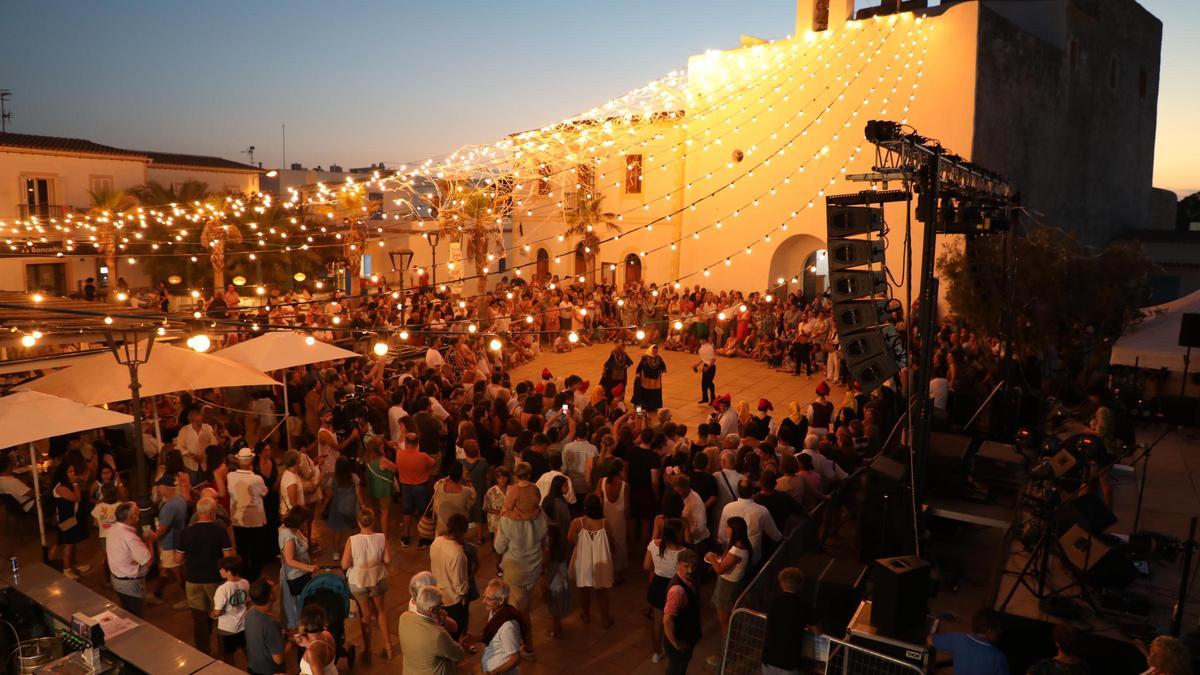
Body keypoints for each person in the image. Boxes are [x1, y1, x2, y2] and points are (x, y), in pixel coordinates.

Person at [180, 496, 234, 654]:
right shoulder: (220, 531)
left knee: (198, 619)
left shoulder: (186, 532)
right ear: (212, 512)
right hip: (214, 580)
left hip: (192, 581)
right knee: (220, 616)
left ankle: (203, 652)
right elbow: (228, 557)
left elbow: (178, 558)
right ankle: (224, 651)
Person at [342, 507, 394, 659]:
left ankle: (367, 650)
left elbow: (345, 564)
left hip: (358, 581)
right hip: (377, 578)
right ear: (374, 521)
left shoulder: (352, 540)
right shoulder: (381, 538)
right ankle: (388, 646)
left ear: (359, 523)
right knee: (381, 611)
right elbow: (388, 560)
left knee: (365, 615)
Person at [568, 494, 615, 628]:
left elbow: (570, 538)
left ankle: (586, 614)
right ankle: (605, 619)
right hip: (600, 558)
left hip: (583, 558)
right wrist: (612, 553)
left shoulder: (578, 522)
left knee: (583, 589)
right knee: (601, 591)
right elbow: (611, 540)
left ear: (585, 507)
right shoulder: (605, 522)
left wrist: (580, 544)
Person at [398, 586, 467, 675]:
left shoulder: (404, 617)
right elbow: (459, 655)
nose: (442, 610)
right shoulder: (438, 635)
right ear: (431, 610)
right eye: (440, 606)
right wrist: (441, 622)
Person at [644, 518, 686, 662]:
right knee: (673, 620)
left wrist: (659, 568)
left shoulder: (653, 545)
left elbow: (646, 566)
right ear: (676, 534)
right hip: (674, 587)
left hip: (657, 585)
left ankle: (656, 653)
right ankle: (673, 649)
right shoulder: (683, 552)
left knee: (657, 622)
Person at [762, 567, 815, 675]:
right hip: (790, 662)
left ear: (781, 583)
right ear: (800, 585)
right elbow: (818, 630)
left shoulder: (772, 601)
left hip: (769, 657)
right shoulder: (804, 607)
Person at [706, 516, 751, 645]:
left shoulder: (737, 549)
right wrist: (718, 559)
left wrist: (711, 558)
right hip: (729, 586)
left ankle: (727, 651)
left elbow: (720, 570)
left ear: (734, 530)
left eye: (728, 527)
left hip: (727, 588)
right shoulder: (741, 545)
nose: (725, 529)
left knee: (725, 622)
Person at [228, 447, 270, 582]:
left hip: (238, 519)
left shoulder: (230, 476)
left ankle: (244, 574)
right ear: (251, 460)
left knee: (242, 549)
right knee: (256, 549)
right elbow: (264, 492)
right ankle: (255, 576)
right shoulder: (256, 479)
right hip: (255, 520)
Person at [106, 501, 155, 616]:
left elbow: (125, 552)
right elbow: (148, 560)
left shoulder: (113, 528)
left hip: (118, 580)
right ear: (131, 517)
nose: (139, 513)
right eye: (136, 511)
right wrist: (149, 541)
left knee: (128, 611)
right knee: (136, 616)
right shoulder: (129, 537)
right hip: (130, 584)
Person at [718, 479, 782, 563]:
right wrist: (781, 538)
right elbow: (774, 534)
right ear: (753, 491)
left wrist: (723, 545)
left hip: (732, 553)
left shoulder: (728, 507)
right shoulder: (761, 510)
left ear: (738, 491)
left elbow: (722, 533)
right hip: (752, 554)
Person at [929, 609, 1009, 675]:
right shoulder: (998, 657)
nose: (1000, 633)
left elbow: (930, 639)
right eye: (999, 630)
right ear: (989, 630)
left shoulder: (958, 640)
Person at [430, 513, 471, 639]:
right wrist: (464, 595)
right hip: (452, 601)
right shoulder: (458, 553)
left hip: (437, 595)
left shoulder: (436, 541)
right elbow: (459, 583)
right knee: (453, 634)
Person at [151, 474, 188, 607]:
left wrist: (153, 536)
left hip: (170, 543)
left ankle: (189, 599)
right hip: (177, 540)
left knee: (177, 572)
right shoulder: (180, 500)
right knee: (165, 569)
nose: (158, 489)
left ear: (165, 487)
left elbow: (163, 529)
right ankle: (157, 593)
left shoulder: (169, 506)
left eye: (159, 486)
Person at [662, 549, 702, 675]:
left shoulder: (690, 579)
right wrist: (676, 644)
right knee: (676, 670)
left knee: (681, 668)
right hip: (680, 640)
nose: (690, 570)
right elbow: (667, 621)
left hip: (687, 637)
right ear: (678, 564)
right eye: (686, 566)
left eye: (693, 566)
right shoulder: (677, 590)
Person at [279, 506, 318, 629]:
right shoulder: (289, 536)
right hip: (296, 576)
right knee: (300, 605)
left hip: (301, 573)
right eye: (305, 521)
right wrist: (309, 567)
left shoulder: (292, 530)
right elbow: (289, 560)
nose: (307, 524)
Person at [396, 432, 436, 548]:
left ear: (406, 443)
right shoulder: (423, 456)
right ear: (417, 443)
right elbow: (433, 463)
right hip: (421, 486)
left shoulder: (399, 454)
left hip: (405, 487)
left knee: (407, 511)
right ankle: (423, 539)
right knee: (422, 512)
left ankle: (406, 536)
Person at [52, 461, 90, 580]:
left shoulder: (67, 484)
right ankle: (66, 569)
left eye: (73, 471)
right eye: (69, 471)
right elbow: (77, 498)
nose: (72, 474)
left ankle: (75, 564)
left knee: (73, 543)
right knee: (68, 545)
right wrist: (75, 483)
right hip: (66, 519)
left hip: (73, 517)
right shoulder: (61, 488)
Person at [480, 578, 525, 675]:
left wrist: (493, 673)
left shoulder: (508, 626)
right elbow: (494, 635)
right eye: (484, 597)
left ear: (501, 600)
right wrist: (474, 638)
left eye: (488, 599)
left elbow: (515, 659)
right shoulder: (494, 612)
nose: (483, 601)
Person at [211, 555, 250, 664]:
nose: (220, 571)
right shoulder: (245, 582)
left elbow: (217, 612)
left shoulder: (222, 589)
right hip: (243, 625)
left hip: (227, 629)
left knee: (228, 656)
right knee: (247, 650)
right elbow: (247, 601)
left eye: (222, 569)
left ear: (228, 571)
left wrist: (212, 614)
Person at [245, 579, 287, 675]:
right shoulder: (270, 624)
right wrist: (291, 644)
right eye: (273, 590)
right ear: (271, 596)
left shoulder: (250, 612)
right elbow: (278, 659)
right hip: (270, 671)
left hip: (253, 668)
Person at [323, 456, 362, 559]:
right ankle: (355, 550)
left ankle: (336, 552)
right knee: (354, 529)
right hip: (352, 508)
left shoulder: (333, 479)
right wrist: (363, 506)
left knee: (337, 531)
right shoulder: (354, 478)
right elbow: (358, 494)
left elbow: (329, 495)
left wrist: (324, 506)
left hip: (337, 509)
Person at [542, 523, 572, 639]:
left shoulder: (549, 552)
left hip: (553, 580)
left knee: (553, 607)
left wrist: (544, 581)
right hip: (562, 577)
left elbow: (545, 566)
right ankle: (558, 626)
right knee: (558, 604)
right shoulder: (563, 548)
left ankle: (556, 629)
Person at [363, 437, 397, 537]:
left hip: (373, 488)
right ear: (377, 448)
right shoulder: (382, 460)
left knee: (374, 511)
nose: (383, 446)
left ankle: (372, 531)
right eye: (381, 445)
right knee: (384, 512)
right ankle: (384, 536)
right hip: (383, 490)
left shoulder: (367, 459)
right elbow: (395, 468)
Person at [294, 605, 339, 675]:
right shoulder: (328, 635)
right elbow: (322, 655)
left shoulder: (312, 652)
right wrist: (308, 644)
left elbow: (316, 653)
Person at [633, 344, 667, 413]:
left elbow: (662, 366)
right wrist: (638, 373)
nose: (655, 350)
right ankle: (644, 406)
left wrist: (663, 369)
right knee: (646, 392)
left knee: (654, 393)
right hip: (646, 380)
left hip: (655, 380)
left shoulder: (659, 358)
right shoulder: (645, 358)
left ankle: (653, 406)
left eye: (656, 349)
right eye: (654, 349)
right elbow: (640, 366)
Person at [695, 336, 717, 404]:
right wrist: (697, 365)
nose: (700, 341)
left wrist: (708, 367)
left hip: (711, 367)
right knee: (703, 383)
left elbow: (713, 359)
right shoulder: (702, 348)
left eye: (701, 339)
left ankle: (713, 398)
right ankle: (705, 398)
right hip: (706, 366)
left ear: (704, 340)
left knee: (709, 383)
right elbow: (704, 358)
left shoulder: (709, 348)